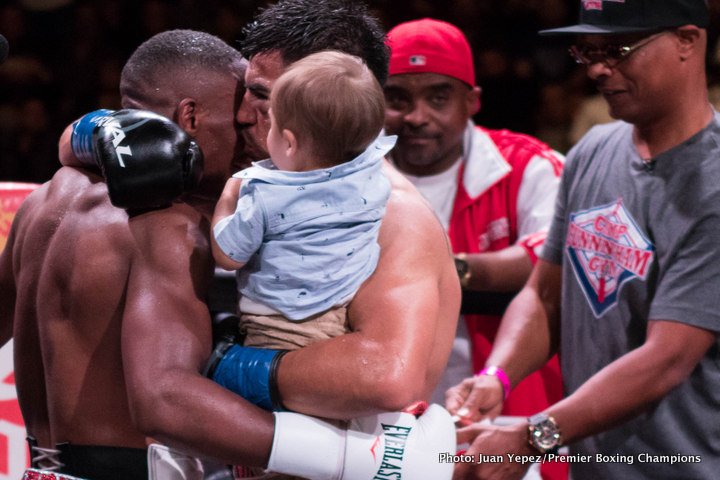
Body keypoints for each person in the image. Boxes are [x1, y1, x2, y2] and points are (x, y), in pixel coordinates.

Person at [9, 29, 453, 479]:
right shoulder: (162, 222)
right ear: (190, 116)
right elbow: (165, 399)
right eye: (242, 116)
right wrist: (354, 460)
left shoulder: (42, 202)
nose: (251, 135)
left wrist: (88, 129)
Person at [448, 1, 720, 479]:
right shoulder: (594, 149)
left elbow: (666, 359)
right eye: (587, 50)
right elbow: (544, 294)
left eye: (617, 49)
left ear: (687, 41)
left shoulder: (713, 184)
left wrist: (535, 436)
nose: (597, 67)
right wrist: (497, 376)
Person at [383, 17, 564, 429]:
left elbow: (555, 254)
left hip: (511, 410)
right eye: (397, 98)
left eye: (438, 98)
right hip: (389, 418)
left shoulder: (526, 164)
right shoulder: (352, 176)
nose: (416, 116)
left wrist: (448, 270)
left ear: (472, 101)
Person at [211, 50, 394, 351]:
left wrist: (230, 195)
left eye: (271, 121)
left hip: (272, 329)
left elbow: (228, 256)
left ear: (289, 141)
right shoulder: (375, 181)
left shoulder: (267, 194)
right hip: (338, 322)